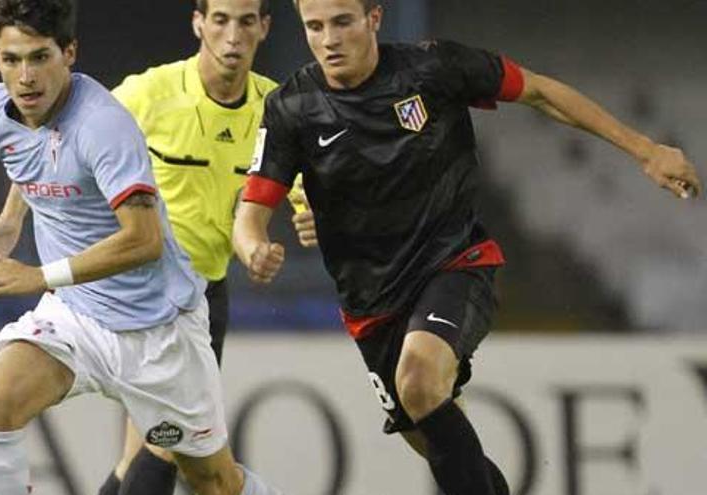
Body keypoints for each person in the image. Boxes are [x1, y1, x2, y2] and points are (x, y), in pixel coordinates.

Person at [231, 0, 702, 494]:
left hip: (454, 264)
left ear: (374, 18)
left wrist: (646, 150)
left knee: (418, 380)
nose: (329, 39)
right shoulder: (291, 107)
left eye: (342, 22)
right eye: (315, 27)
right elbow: (253, 210)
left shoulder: (433, 68)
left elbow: (541, 93)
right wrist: (253, 246)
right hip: (371, 306)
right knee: (447, 450)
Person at [0, 1, 283, 494]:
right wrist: (11, 217)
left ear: (69, 53)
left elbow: (144, 241)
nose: (25, 77)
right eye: (12, 59)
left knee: (214, 483)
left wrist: (39, 276)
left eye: (40, 57)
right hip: (78, 315)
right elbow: (31, 155)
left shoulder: (104, 126)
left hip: (158, 330)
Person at [96, 1, 281, 494]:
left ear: (264, 28)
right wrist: (12, 217)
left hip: (205, 295)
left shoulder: (279, 109)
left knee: (142, 455)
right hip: (145, 293)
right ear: (198, 23)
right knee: (170, 443)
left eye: (246, 21)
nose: (232, 35)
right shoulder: (149, 93)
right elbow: (69, 139)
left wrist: (283, 232)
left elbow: (304, 192)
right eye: (220, 19)